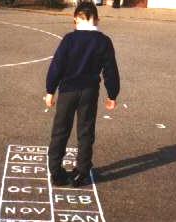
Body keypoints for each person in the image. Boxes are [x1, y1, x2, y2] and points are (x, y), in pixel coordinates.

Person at [44, 1, 120, 187]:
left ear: (75, 19)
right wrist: (112, 94)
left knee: (60, 131)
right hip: (89, 91)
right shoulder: (104, 41)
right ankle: (82, 172)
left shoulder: (69, 39)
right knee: (85, 132)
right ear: (97, 20)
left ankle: (56, 172)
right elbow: (111, 70)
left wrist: (49, 90)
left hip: (68, 91)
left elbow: (57, 66)